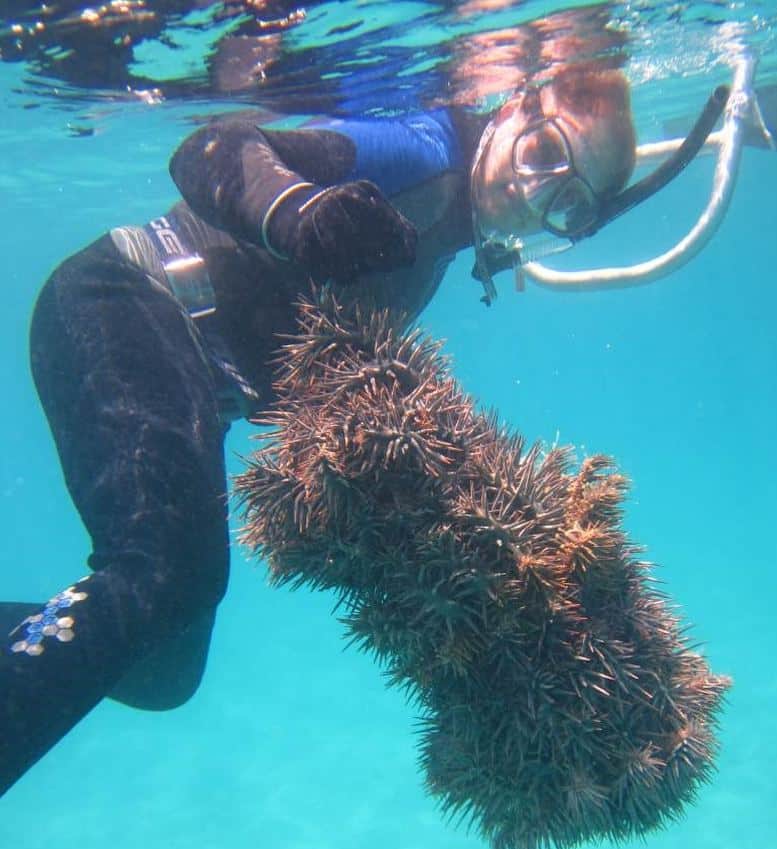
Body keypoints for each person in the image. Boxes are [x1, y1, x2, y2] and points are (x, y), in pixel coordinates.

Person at [0, 9, 733, 792]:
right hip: (123, 300)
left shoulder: (455, 227)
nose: (531, 190)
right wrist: (297, 211)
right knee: (161, 581)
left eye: (568, 205)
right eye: (545, 154)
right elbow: (209, 148)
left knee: (165, 668)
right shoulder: (424, 147)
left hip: (189, 373)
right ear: (516, 107)